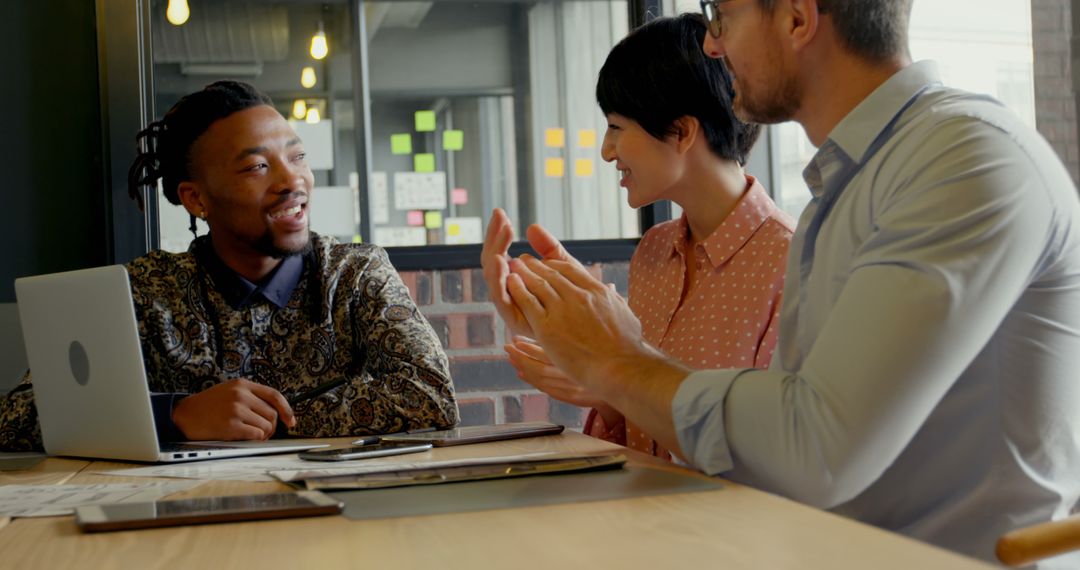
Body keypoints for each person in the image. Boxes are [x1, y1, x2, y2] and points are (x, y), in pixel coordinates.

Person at [482, 0, 1080, 566]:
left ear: (796, 17)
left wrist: (618, 360)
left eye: (724, 15)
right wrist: (583, 342)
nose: (713, 44)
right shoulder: (850, 184)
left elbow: (816, 449)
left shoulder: (966, 159)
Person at [0, 81, 458, 450]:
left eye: (297, 157)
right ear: (196, 198)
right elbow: (17, 415)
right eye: (258, 166)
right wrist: (177, 414)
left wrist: (263, 421)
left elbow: (431, 394)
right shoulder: (143, 292)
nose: (291, 180)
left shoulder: (356, 275)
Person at [485, 14, 792, 461]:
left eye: (616, 127)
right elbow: (639, 432)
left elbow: (769, 450)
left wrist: (609, 368)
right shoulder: (654, 250)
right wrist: (594, 378)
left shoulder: (792, 259)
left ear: (682, 131)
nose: (607, 151)